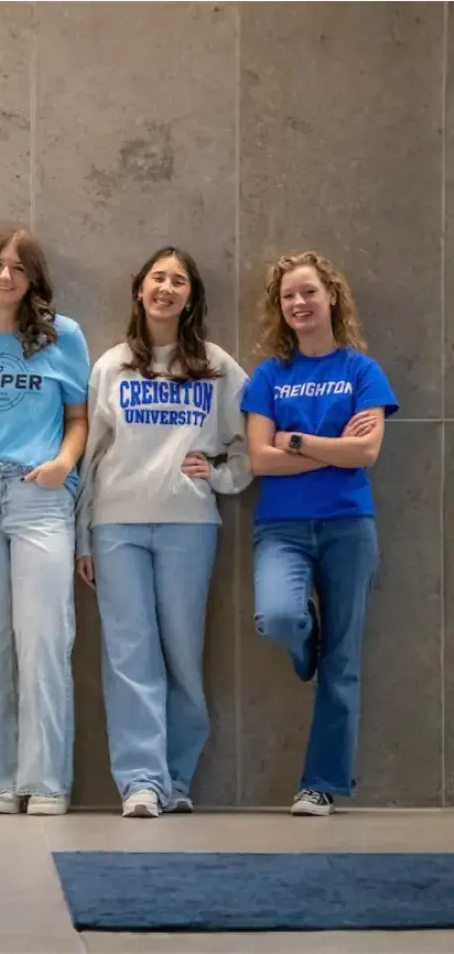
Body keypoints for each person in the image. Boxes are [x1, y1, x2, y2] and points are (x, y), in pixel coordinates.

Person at [75, 247, 251, 818]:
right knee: (129, 656)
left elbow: (254, 439)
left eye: (179, 281)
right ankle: (141, 783)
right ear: (140, 289)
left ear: (191, 297)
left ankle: (176, 777)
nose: (167, 288)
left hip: (189, 525)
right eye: (158, 277)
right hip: (117, 525)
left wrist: (222, 474)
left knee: (181, 656)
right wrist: (83, 538)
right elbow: (90, 459)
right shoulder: (111, 366)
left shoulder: (218, 367)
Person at [241, 250, 396, 817]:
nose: (298, 303)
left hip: (348, 526)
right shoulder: (269, 377)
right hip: (280, 526)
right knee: (279, 617)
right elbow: (258, 459)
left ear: (332, 296)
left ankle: (320, 784)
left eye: (308, 292)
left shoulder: (362, 371)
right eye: (288, 296)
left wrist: (297, 442)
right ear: (279, 309)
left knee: (344, 664)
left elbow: (369, 451)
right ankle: (305, 644)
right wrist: (335, 453)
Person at [0, 228, 90, 816]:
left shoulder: (64, 337)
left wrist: (62, 463)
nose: (5, 277)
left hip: (41, 496)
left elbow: (78, 417)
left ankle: (47, 781)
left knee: (46, 641)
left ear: (35, 279)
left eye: (18, 268)